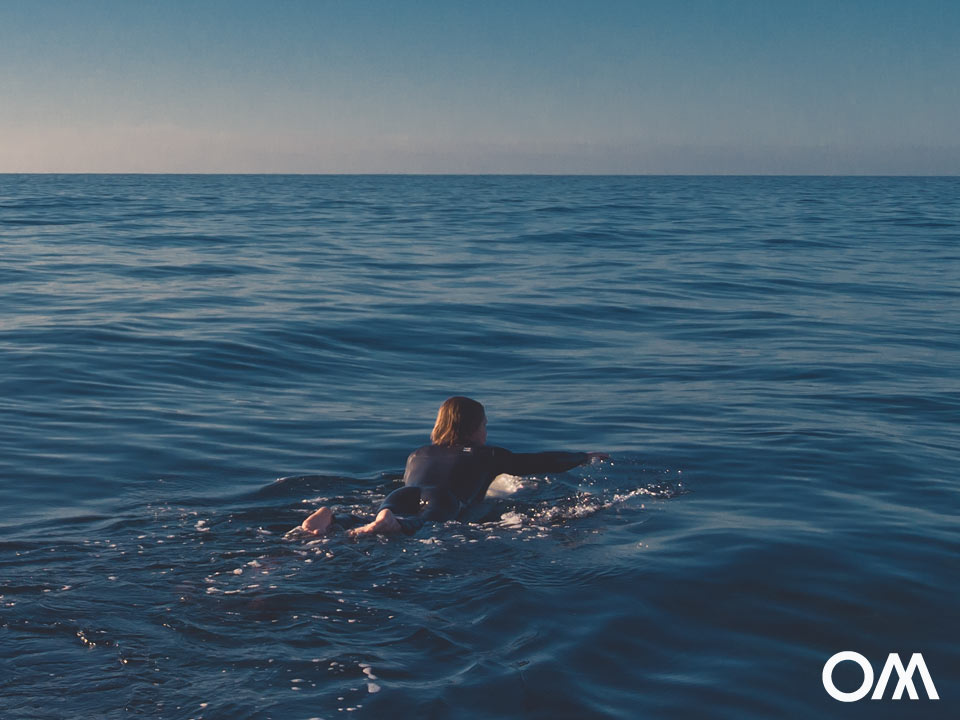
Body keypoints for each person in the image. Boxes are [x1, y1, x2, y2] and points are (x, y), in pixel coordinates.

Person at [300, 396, 607, 537]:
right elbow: (537, 463)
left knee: (376, 516)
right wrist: (582, 456)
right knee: (420, 524)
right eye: (485, 425)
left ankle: (334, 519)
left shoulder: (417, 453)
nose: (486, 431)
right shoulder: (488, 454)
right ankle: (390, 525)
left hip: (398, 497)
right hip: (443, 499)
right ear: (474, 429)